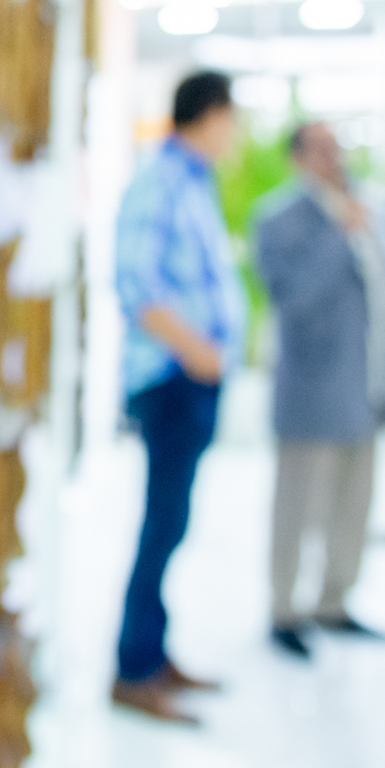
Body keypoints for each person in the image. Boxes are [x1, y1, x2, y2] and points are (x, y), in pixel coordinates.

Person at [111, 70, 246, 724]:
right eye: (232, 119)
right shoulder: (159, 181)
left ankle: (154, 653)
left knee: (173, 522)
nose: (235, 133)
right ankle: (133, 670)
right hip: (171, 379)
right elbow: (136, 285)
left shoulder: (195, 181)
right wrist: (196, 350)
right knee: (162, 523)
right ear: (212, 114)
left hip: (193, 376)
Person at [254, 122, 385, 660]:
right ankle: (283, 609)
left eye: (337, 147)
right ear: (297, 158)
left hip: (367, 385)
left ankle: (333, 602)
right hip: (312, 392)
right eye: (321, 149)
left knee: (353, 504)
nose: (334, 158)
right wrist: (340, 236)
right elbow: (292, 298)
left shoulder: (371, 207)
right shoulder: (279, 218)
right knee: (297, 506)